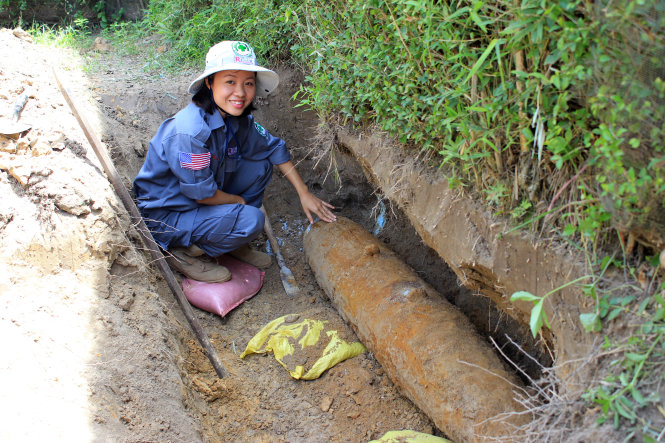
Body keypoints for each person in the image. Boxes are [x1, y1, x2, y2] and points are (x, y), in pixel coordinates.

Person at [133, 40, 336, 282]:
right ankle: (183, 252)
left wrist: (304, 193)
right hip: (170, 216)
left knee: (260, 167)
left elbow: (274, 148)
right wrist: (239, 202)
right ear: (209, 82)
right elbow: (203, 195)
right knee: (253, 219)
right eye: (230, 81)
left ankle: (229, 238)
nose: (240, 93)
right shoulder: (189, 133)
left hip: (201, 200)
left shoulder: (234, 118)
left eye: (248, 83)